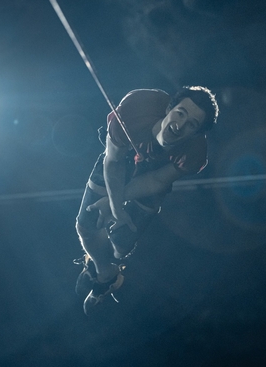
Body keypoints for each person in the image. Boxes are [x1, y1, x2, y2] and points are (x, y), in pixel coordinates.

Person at [75, 86, 219, 315]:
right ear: (169, 107)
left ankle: (108, 263)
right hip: (124, 156)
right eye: (180, 113)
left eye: (191, 124)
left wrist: (117, 203)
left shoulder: (194, 154)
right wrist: (114, 204)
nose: (179, 125)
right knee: (86, 225)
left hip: (155, 170)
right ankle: (104, 274)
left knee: (121, 245)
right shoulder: (134, 110)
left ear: (196, 133)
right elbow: (113, 161)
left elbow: (157, 180)